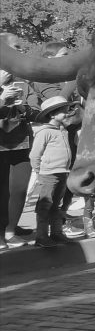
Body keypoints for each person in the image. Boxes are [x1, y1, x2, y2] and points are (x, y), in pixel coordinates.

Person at [28, 96, 76, 248]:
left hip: (63, 172)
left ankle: (56, 232)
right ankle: (41, 236)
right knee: (45, 205)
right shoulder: (45, 132)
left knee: (56, 205)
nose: (66, 113)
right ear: (52, 115)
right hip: (48, 174)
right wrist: (39, 170)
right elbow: (35, 154)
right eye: (63, 111)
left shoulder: (63, 130)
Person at [1, 72, 40, 251]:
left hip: (21, 145)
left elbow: (38, 113)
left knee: (19, 190)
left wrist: (23, 106)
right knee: (2, 192)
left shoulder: (22, 84)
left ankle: (10, 231)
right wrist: (2, 98)